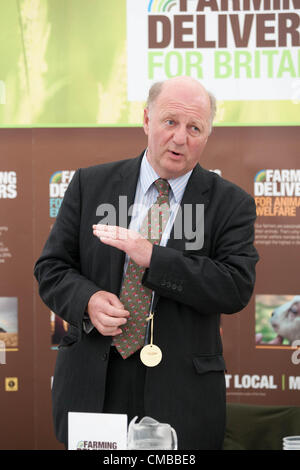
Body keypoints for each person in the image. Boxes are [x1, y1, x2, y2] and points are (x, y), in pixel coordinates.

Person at [34, 76, 259, 450]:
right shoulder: (90, 184)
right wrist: (87, 301)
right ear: (146, 120)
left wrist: (153, 257)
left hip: (180, 391)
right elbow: (52, 268)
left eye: (195, 128)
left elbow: (234, 286)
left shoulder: (231, 203)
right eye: (170, 122)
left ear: (207, 135)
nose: (180, 138)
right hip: (95, 382)